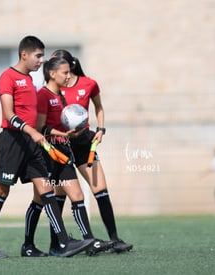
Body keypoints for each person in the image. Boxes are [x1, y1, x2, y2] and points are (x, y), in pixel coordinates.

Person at [0, 36, 93, 259]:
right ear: (24, 55)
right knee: (1, 191)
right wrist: (32, 132)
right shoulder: (7, 77)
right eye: (38, 56)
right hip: (12, 142)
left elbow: (37, 119)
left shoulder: (30, 81)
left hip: (32, 144)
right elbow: (9, 115)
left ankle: (61, 243)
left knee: (46, 189)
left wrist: (51, 133)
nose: (42, 61)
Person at [49, 49, 134, 253]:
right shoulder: (51, 89)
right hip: (61, 144)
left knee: (101, 191)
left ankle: (114, 240)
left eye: (55, 63)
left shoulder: (89, 84)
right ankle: (57, 244)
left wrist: (101, 129)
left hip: (84, 143)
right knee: (59, 195)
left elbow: (99, 108)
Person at [33, 56, 113, 256]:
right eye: (65, 72)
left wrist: (77, 131)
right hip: (51, 153)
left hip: (66, 149)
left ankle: (89, 241)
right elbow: (40, 127)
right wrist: (62, 134)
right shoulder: (43, 94)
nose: (69, 76)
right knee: (40, 200)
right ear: (53, 73)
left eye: (70, 71)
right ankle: (37, 244)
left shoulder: (61, 94)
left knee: (77, 196)